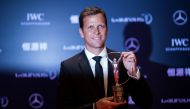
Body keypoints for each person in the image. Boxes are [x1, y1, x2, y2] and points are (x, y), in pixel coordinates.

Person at [56, 6, 153, 109]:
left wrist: (133, 73)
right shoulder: (69, 67)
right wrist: (95, 107)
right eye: (90, 27)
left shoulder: (122, 61)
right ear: (81, 32)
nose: (97, 32)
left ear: (107, 29)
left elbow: (146, 102)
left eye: (101, 26)